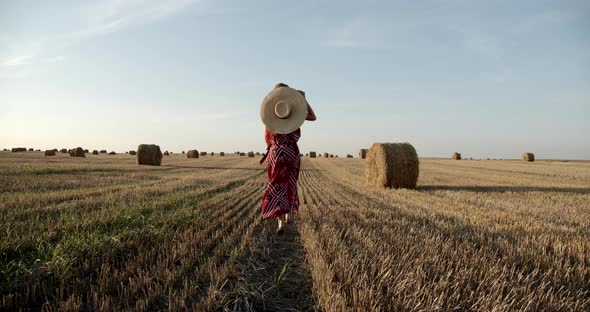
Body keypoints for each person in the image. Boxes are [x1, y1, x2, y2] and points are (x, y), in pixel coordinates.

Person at [259, 82, 316, 234]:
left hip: (275, 154)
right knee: (290, 183)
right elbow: (313, 117)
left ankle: (280, 224)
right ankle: (288, 213)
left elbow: (267, 140)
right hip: (291, 152)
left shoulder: (270, 118)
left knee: (276, 185)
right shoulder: (294, 117)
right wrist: (302, 100)